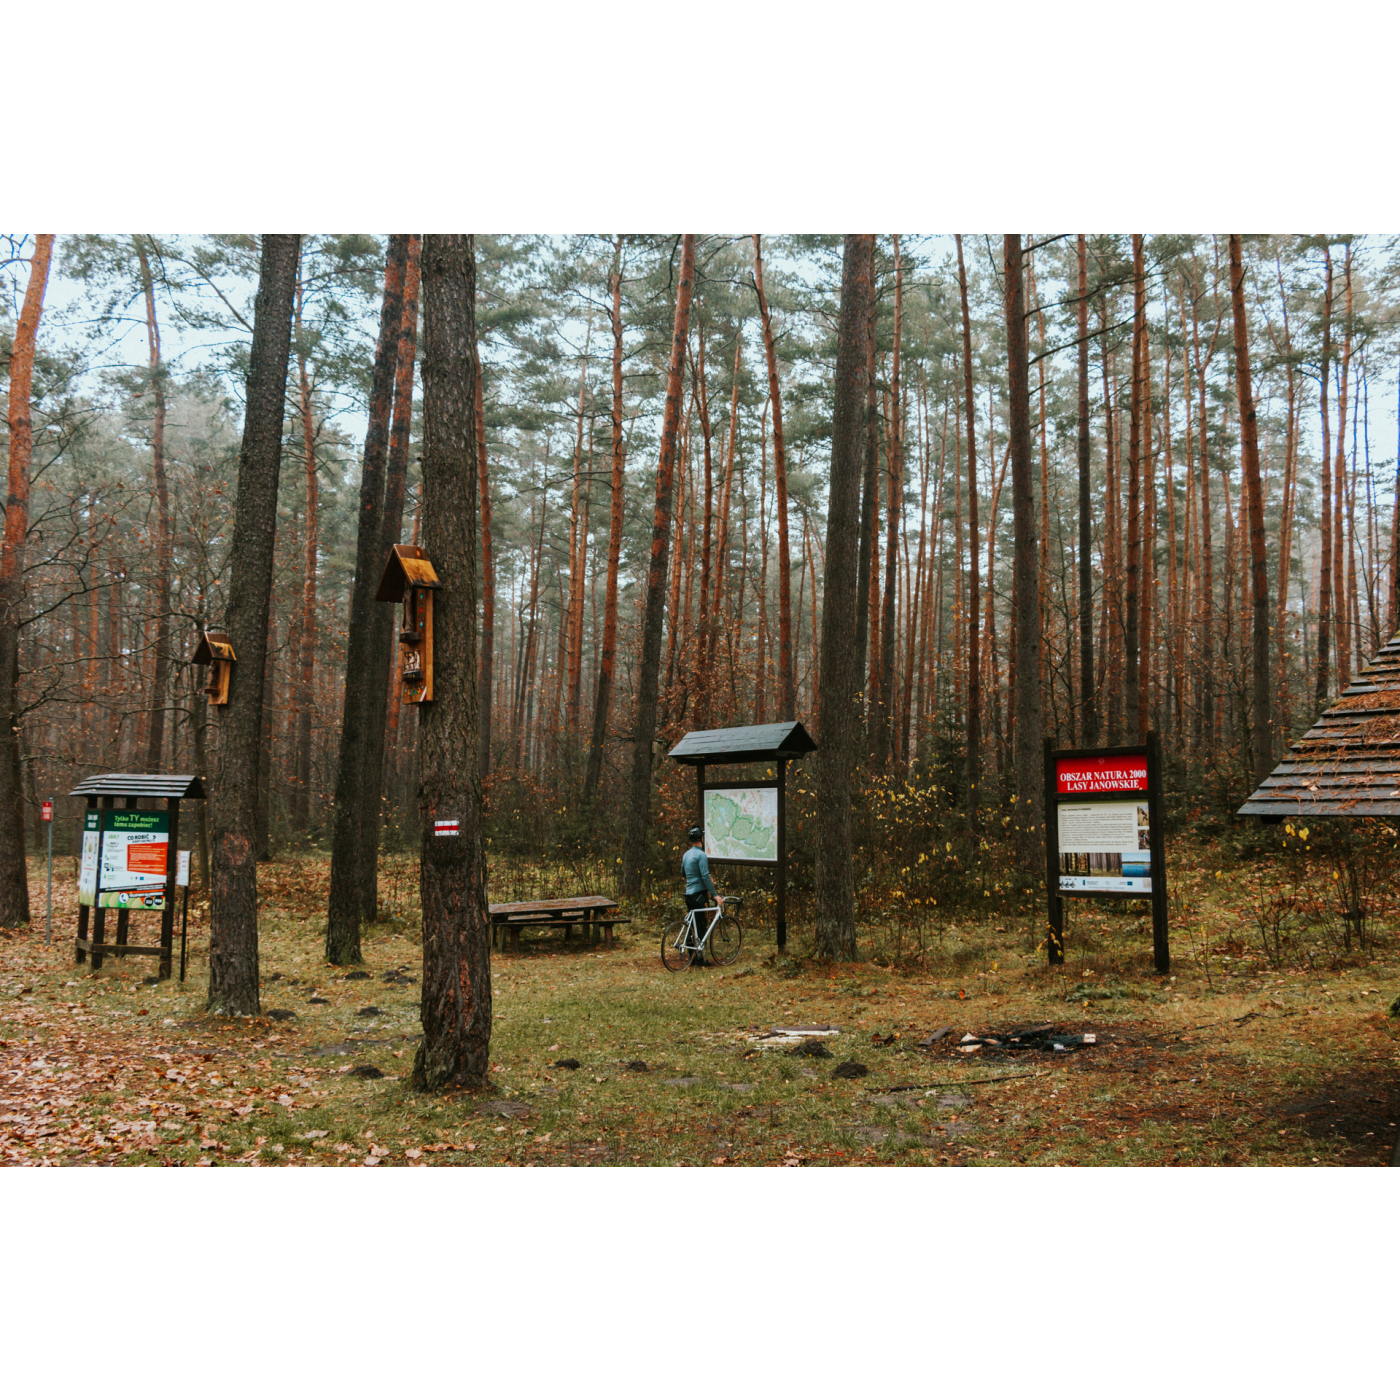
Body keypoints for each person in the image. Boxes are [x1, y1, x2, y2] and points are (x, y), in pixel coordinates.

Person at [681, 825, 720, 969]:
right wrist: (715, 895)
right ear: (702, 839)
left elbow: (683, 874)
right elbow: (705, 876)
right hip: (699, 895)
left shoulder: (686, 855)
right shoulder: (701, 855)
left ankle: (691, 957)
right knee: (701, 925)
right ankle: (699, 958)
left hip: (688, 895)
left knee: (692, 926)